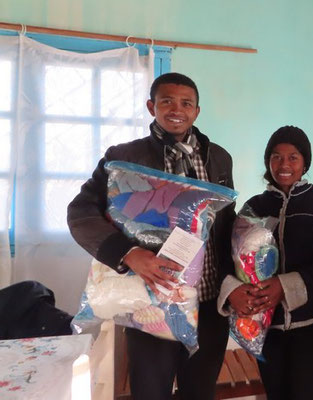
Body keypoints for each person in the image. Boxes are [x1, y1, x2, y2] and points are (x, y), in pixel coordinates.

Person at [67, 72, 235, 400]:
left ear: (197, 111)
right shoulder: (124, 158)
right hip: (152, 306)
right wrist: (127, 253)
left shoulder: (219, 158)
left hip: (210, 305)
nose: (177, 109)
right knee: (151, 393)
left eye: (186, 103)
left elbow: (224, 223)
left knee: (199, 393)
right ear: (151, 106)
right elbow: (80, 213)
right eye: (167, 101)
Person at [217, 126, 313, 400]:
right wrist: (235, 291)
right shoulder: (253, 207)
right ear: (268, 162)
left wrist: (284, 285)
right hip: (267, 329)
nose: (284, 165)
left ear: (305, 163)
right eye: (276, 157)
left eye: (293, 157)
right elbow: (233, 257)